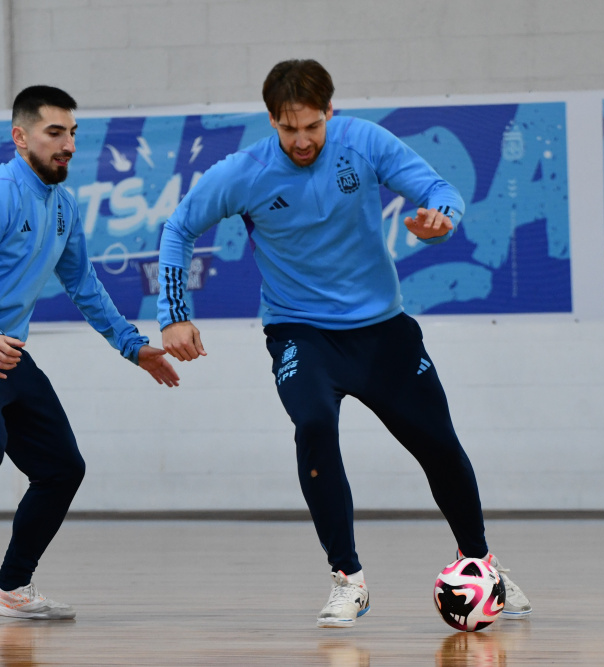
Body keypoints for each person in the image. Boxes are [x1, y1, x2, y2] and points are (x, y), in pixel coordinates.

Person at [157, 60, 531, 628]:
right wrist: (175, 316)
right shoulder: (245, 172)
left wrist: (443, 219)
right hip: (301, 332)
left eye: (312, 125)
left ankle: (480, 561)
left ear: (330, 111)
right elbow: (179, 228)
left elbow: (438, 189)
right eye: (289, 129)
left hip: (383, 331)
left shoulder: (363, 142)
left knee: (439, 443)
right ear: (272, 121)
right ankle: (347, 578)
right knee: (313, 425)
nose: (302, 141)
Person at [0, 85, 179, 627]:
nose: (68, 145)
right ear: (21, 136)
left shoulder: (61, 205)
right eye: (55, 133)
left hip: (4, 346)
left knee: (62, 468)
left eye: (72, 133)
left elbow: (83, 284)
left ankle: (11, 586)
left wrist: (134, 347)